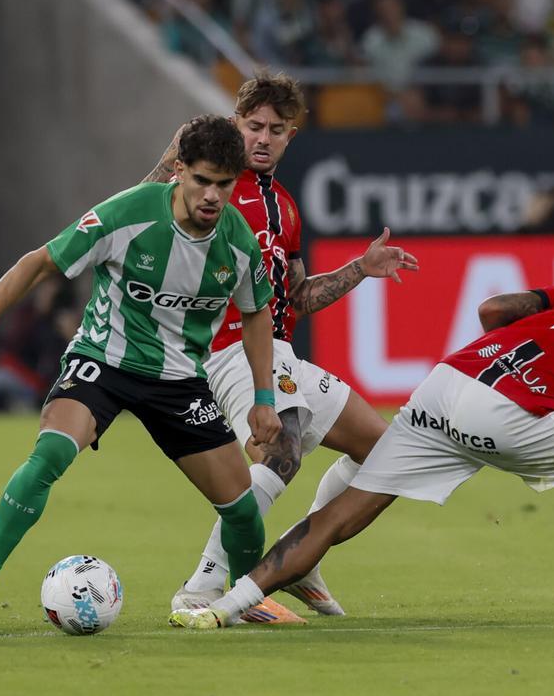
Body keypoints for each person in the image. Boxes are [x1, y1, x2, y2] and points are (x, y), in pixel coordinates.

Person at [170, 283, 554, 629]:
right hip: (512, 415)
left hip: (450, 382)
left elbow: (494, 308)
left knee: (344, 514)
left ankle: (219, 609)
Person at [0, 115, 299, 627]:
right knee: (50, 456)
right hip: (103, 361)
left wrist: (264, 398)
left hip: (178, 381)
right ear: (178, 170)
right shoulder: (128, 213)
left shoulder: (237, 242)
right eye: (202, 180)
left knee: (240, 509)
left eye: (224, 184)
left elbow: (258, 311)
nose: (213, 195)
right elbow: (40, 262)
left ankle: (246, 600)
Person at [142, 72, 419, 617]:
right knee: (281, 445)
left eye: (276, 129)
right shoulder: (206, 185)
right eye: (253, 126)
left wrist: (360, 268)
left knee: (386, 452)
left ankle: (301, 557)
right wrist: (173, 153)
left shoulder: (285, 208)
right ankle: (203, 585)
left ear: (292, 135)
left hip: (276, 350)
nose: (263, 139)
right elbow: (145, 206)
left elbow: (295, 298)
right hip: (223, 349)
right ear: (234, 125)